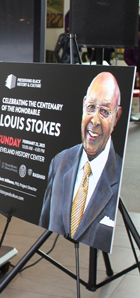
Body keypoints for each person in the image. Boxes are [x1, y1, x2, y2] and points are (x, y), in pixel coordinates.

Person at [39, 72, 123, 253]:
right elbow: (44, 222)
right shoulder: (59, 162)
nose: (95, 120)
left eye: (105, 112)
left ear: (116, 117)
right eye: (91, 107)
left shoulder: (119, 174)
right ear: (83, 105)